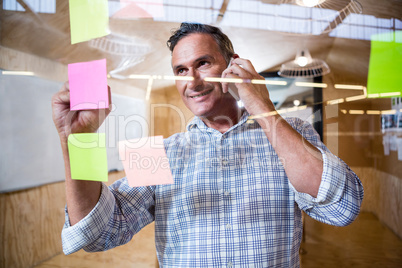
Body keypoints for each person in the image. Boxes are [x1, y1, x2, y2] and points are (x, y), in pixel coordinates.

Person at [52, 22, 364, 267]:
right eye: (181, 70)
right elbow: (98, 231)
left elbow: (342, 208)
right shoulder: (156, 151)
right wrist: (78, 142)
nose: (192, 81)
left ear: (235, 66)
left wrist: (261, 106)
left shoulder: (293, 132)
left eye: (203, 63)